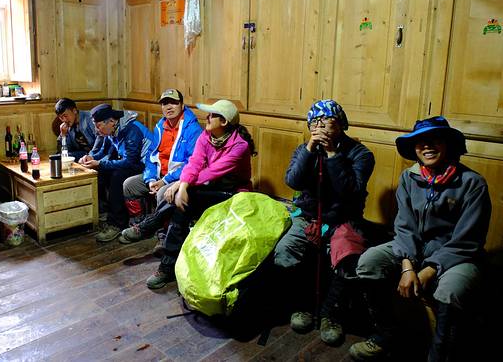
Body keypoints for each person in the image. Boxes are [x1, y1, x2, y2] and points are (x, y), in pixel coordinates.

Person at [349, 116, 491, 361]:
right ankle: (385, 334)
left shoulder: (472, 183)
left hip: (457, 255)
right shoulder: (409, 177)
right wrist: (407, 266)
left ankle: (438, 355)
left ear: (448, 144)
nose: (427, 146)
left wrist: (428, 270)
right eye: (420, 142)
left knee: (450, 290)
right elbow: (405, 227)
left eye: (435, 140)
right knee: (369, 262)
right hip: (414, 248)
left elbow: (467, 240)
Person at [272, 99, 376, 346]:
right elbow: (294, 182)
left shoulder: (361, 154)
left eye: (326, 120)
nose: (319, 126)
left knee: (348, 257)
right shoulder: (304, 149)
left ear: (340, 125)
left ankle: (331, 314)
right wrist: (310, 149)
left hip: (343, 219)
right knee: (285, 250)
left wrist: (332, 154)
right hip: (308, 216)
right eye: (314, 122)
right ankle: (303, 306)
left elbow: (350, 191)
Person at [145, 99, 256, 289]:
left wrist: (181, 185)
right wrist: (183, 185)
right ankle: (167, 266)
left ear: (224, 122)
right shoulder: (206, 136)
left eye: (212, 115)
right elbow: (195, 163)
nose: (207, 118)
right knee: (181, 208)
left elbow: (212, 171)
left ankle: (150, 225)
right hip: (210, 188)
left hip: (234, 194)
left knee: (186, 197)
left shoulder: (240, 145)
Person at [119, 89, 202, 247]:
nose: (168, 107)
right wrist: (150, 179)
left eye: (173, 103)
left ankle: (164, 236)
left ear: (182, 105)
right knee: (129, 185)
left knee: (163, 193)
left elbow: (192, 163)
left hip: (179, 178)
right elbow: (151, 155)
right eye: (164, 103)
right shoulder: (160, 126)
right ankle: (141, 225)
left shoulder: (193, 129)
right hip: (158, 175)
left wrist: (165, 181)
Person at [79, 104, 152, 242]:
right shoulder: (112, 130)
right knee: (102, 171)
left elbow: (130, 161)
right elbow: (104, 152)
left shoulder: (132, 129)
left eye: (98, 126)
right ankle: (106, 212)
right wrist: (91, 157)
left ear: (111, 121)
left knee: (117, 176)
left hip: (147, 165)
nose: (96, 130)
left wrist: (100, 163)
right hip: (132, 162)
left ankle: (117, 223)